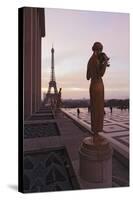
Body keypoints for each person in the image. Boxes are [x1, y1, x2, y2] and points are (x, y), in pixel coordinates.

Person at [86, 42, 109, 137]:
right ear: (99, 49)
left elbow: (87, 77)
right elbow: (101, 74)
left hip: (92, 86)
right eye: (101, 49)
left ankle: (94, 130)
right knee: (99, 108)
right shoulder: (97, 59)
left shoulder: (90, 60)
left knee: (94, 108)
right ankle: (97, 130)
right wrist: (105, 63)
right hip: (99, 86)